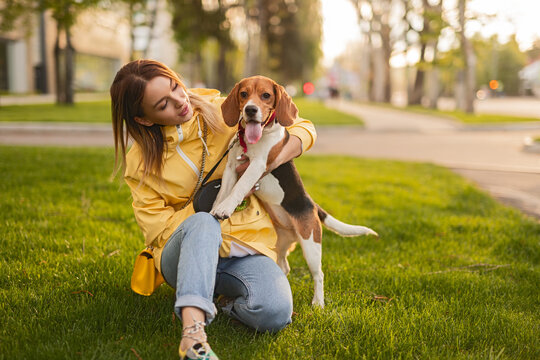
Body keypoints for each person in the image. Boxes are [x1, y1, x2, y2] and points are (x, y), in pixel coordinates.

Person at [110, 59, 317, 360]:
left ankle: (222, 303)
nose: (180, 101)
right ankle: (193, 337)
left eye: (175, 87)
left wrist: (272, 161)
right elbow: (156, 231)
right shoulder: (140, 161)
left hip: (243, 247)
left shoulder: (225, 110)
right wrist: (199, 208)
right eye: (163, 104)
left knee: (274, 312)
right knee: (205, 223)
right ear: (144, 119)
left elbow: (303, 127)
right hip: (180, 253)